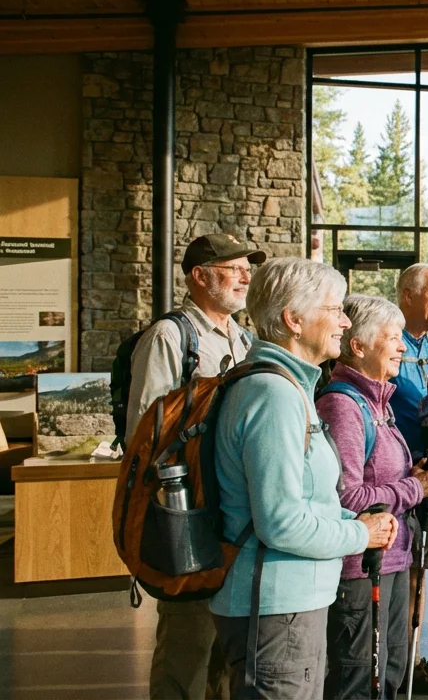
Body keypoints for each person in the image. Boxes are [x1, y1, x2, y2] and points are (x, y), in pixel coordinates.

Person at [211, 257, 399, 699]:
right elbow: (280, 521)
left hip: (290, 604)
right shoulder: (272, 395)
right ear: (293, 320)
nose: (345, 321)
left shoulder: (290, 387)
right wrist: (360, 533)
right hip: (275, 608)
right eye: (334, 310)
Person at [127, 233, 263, 700]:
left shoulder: (244, 337)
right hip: (192, 513)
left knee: (227, 645)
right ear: (199, 276)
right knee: (187, 642)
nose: (246, 274)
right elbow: (145, 436)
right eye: (234, 266)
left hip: (234, 510)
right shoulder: (170, 336)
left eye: (248, 267)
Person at [319, 294, 428, 699]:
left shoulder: (380, 403)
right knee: (359, 677)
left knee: (390, 670)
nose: (400, 347)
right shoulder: (343, 406)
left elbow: (379, 478)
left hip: (390, 558)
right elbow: (347, 495)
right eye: (392, 338)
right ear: (358, 346)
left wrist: (415, 475)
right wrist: (416, 487)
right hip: (360, 567)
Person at [390, 263, 428, 694]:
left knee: (420, 571)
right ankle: (383, 659)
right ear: (408, 295)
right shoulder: (387, 340)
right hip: (390, 477)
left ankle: (410, 659)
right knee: (386, 573)